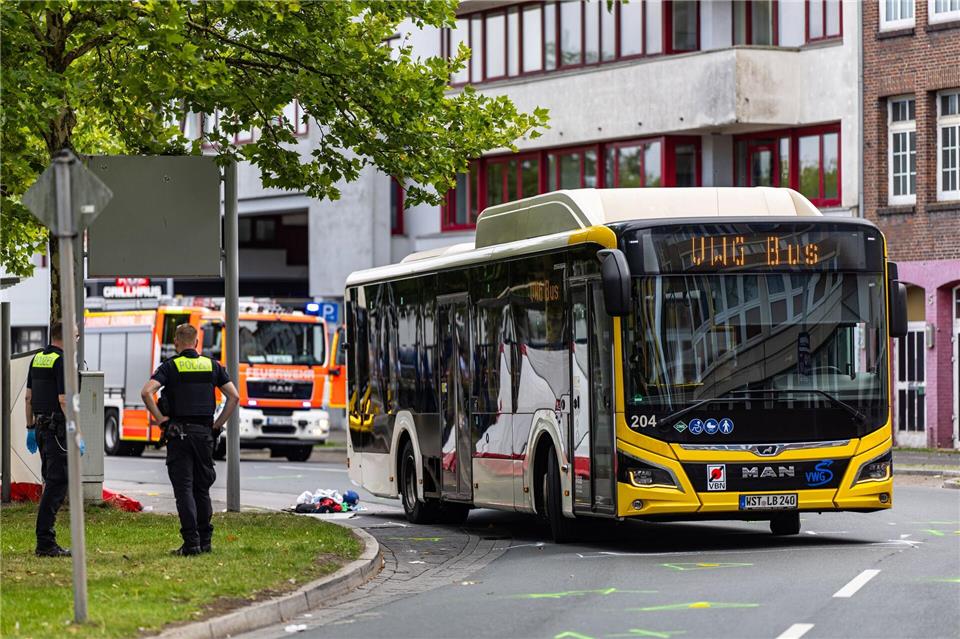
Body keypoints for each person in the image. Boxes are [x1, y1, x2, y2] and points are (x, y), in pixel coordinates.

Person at [141, 323, 239, 556]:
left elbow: (146, 392)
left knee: (184, 489)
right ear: (196, 343)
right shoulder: (212, 365)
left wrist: (161, 420)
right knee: (202, 489)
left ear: (176, 342)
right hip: (204, 435)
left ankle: (191, 543)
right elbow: (233, 397)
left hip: (179, 435)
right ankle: (205, 541)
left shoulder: (170, 367)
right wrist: (217, 426)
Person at [25, 322, 74, 557]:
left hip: (42, 429)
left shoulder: (37, 359)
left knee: (50, 482)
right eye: (74, 336)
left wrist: (30, 428)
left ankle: (45, 540)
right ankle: (45, 542)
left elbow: (28, 398)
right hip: (57, 431)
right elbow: (64, 400)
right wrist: (77, 431)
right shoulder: (62, 360)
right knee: (57, 484)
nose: (76, 340)